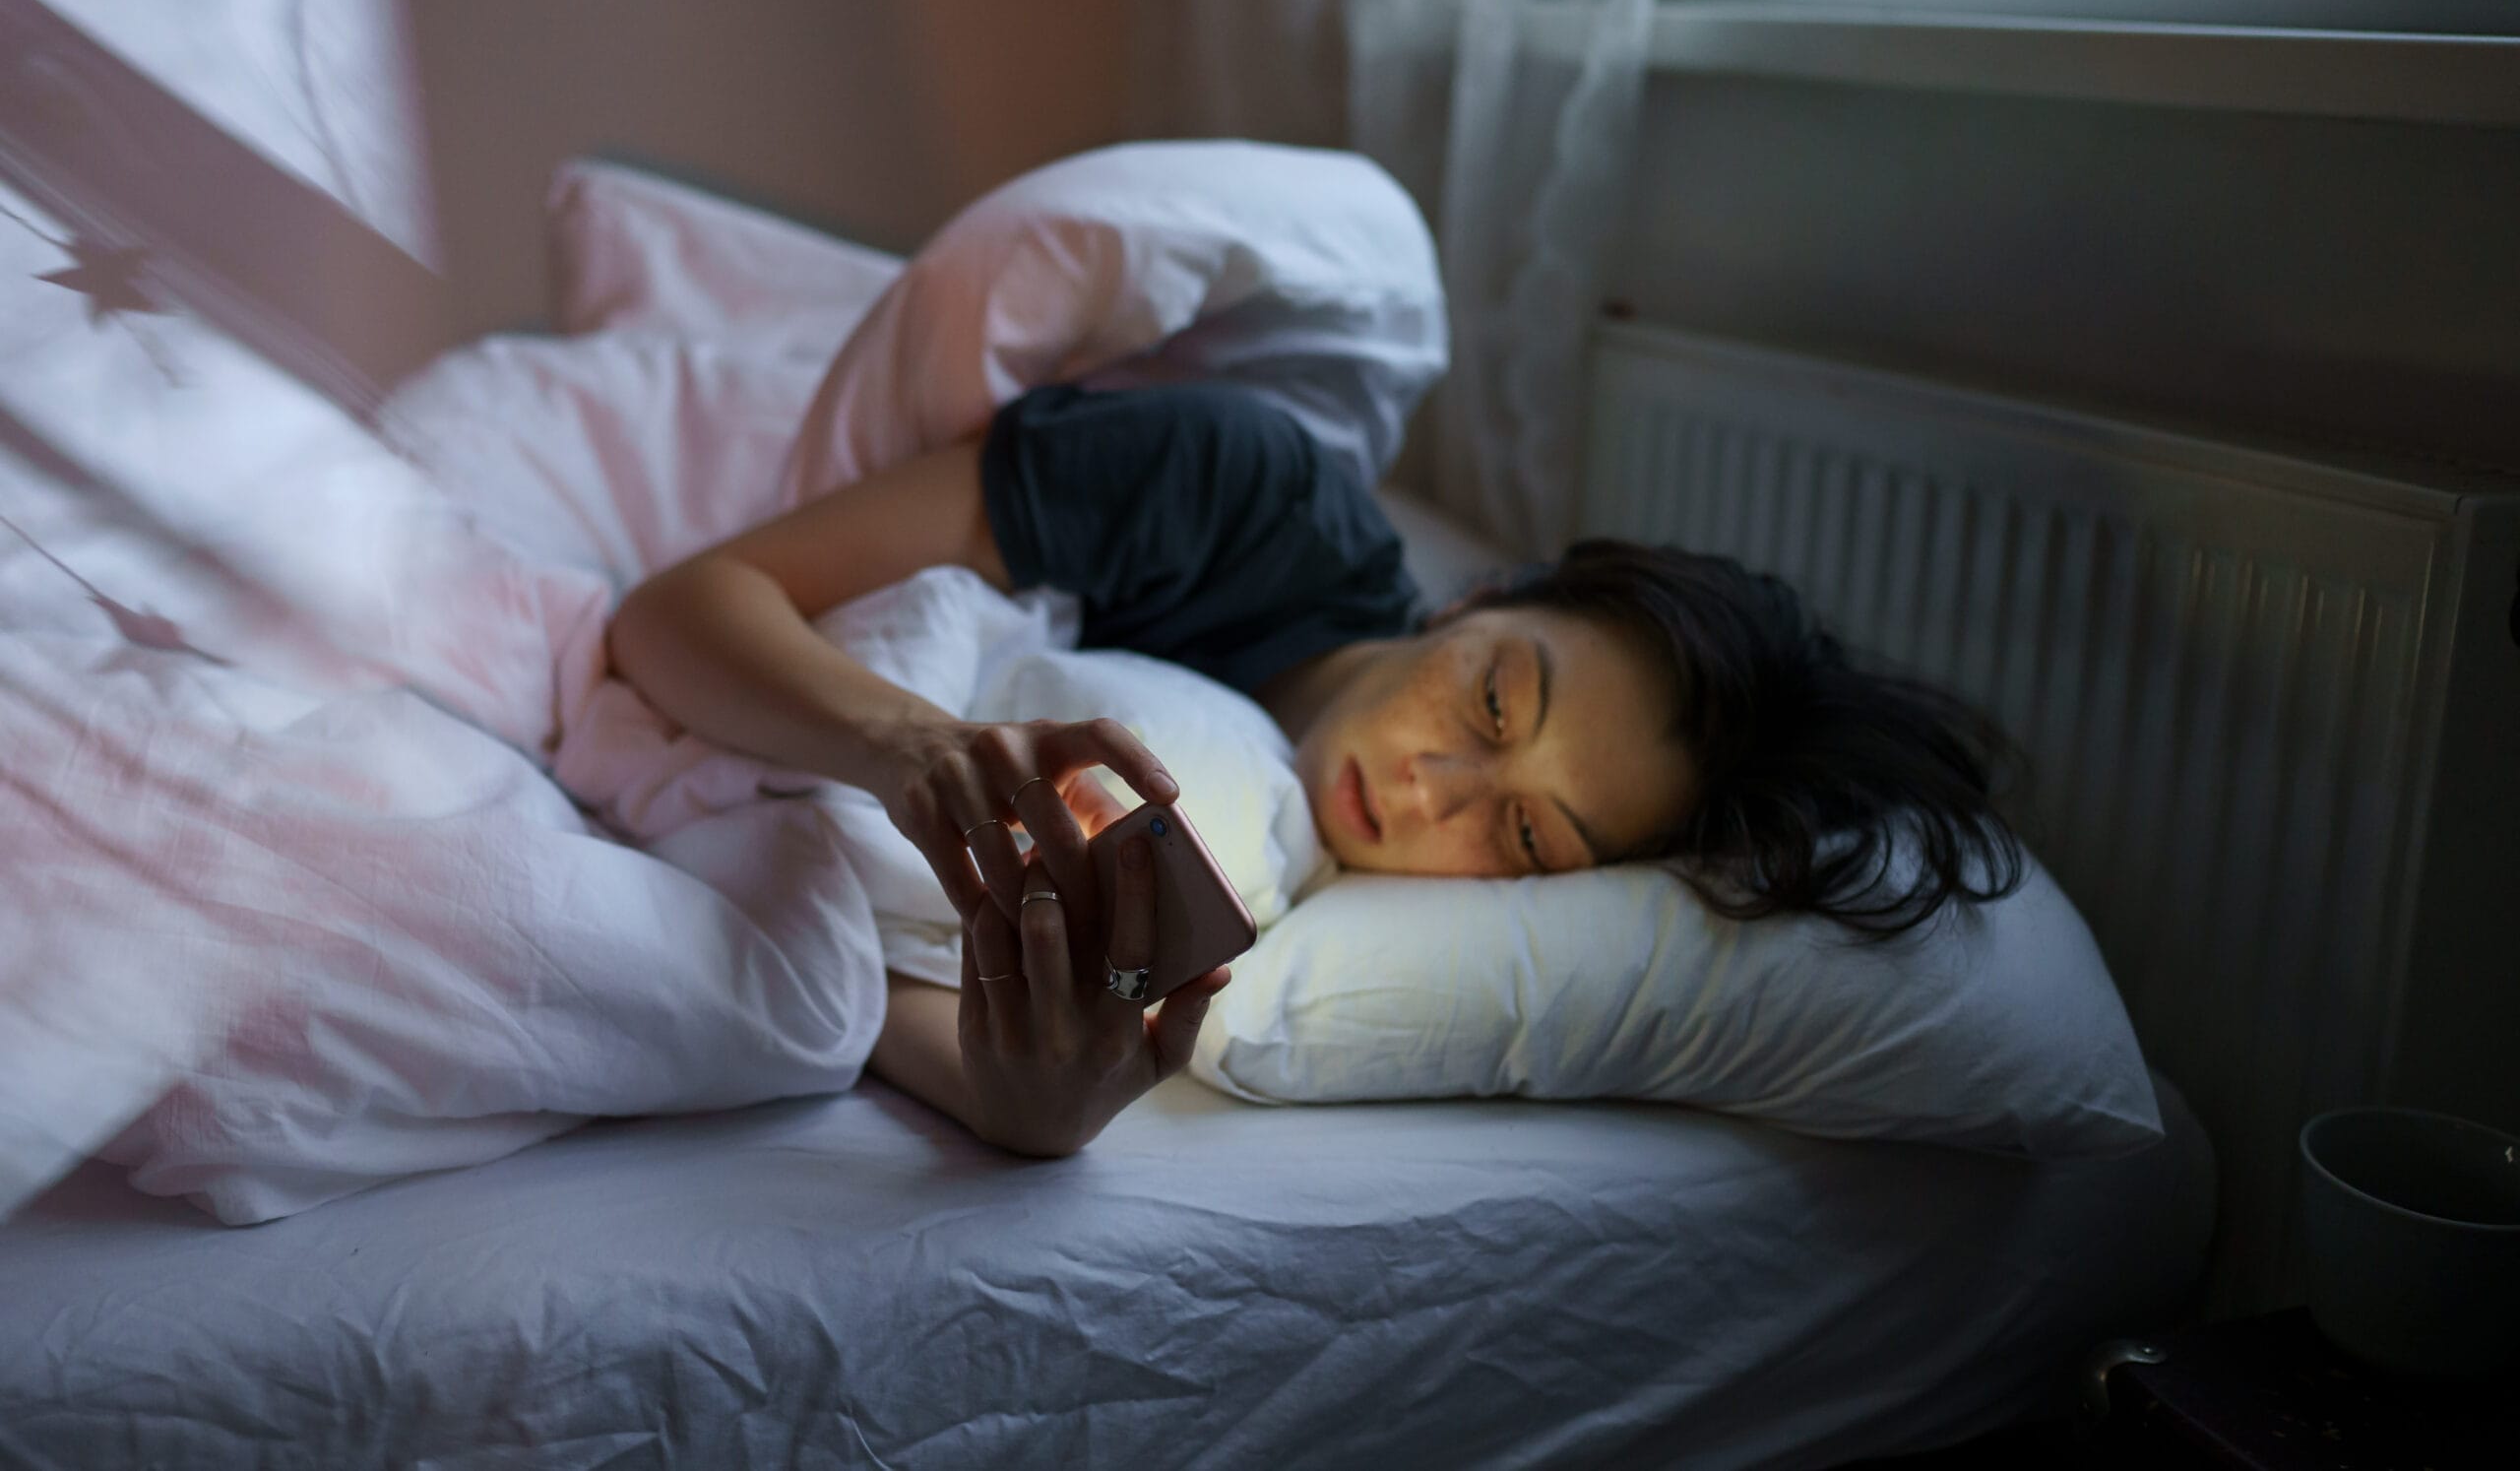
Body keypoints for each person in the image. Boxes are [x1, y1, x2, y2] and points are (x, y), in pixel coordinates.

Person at [604, 381, 2020, 1159]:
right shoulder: (1235, 488)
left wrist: (1019, 1109)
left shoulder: (1273, 872)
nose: (1432, 790)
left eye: (1523, 837)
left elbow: (884, 980)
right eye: (1491, 696)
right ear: (1480, 598)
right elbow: (677, 607)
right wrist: (913, 742)